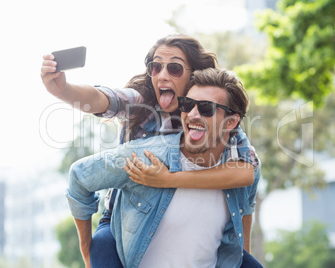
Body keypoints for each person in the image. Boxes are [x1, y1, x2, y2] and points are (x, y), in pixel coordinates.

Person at [41, 34, 260, 267]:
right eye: (155, 67)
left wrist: (168, 179)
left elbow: (245, 176)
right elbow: (101, 99)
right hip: (124, 214)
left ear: (194, 75)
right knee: (102, 247)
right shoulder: (143, 104)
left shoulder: (222, 122)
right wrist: (62, 89)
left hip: (185, 217)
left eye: (174, 68)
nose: (162, 75)